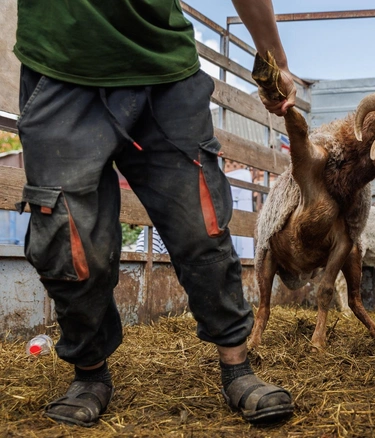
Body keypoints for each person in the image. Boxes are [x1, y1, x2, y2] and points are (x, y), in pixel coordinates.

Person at [13, 0, 296, 427]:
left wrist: (274, 61)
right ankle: (89, 374)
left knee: (202, 225)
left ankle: (237, 367)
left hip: (164, 73)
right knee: (69, 239)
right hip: (62, 67)